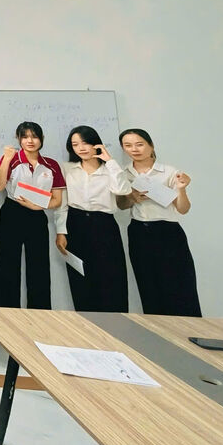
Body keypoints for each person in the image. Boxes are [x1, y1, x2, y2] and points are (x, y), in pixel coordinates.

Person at [117, 128, 201, 316]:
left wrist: (181, 189)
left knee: (179, 285)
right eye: (128, 145)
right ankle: (157, 329)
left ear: (151, 145)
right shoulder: (124, 173)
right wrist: (132, 197)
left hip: (167, 232)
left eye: (139, 144)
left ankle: (187, 328)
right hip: (139, 232)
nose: (134, 149)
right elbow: (121, 205)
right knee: (148, 285)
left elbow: (183, 209)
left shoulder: (169, 172)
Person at [56, 126, 131, 312]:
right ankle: (86, 323)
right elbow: (62, 203)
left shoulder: (111, 169)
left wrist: (110, 161)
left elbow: (123, 190)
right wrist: (61, 231)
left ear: (96, 144)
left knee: (111, 277)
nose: (81, 148)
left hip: (104, 225)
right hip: (76, 223)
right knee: (80, 278)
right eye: (75, 144)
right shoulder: (67, 169)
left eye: (85, 143)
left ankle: (115, 324)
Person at [0, 121, 65, 310]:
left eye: (34, 136)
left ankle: (40, 316)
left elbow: (57, 200)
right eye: (25, 137)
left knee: (39, 267)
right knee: (8, 265)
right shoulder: (11, 160)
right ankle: (7, 315)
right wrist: (6, 159)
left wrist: (37, 206)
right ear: (18, 139)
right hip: (12, 213)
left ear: (42, 139)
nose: (30, 141)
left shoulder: (52, 165)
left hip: (37, 215)